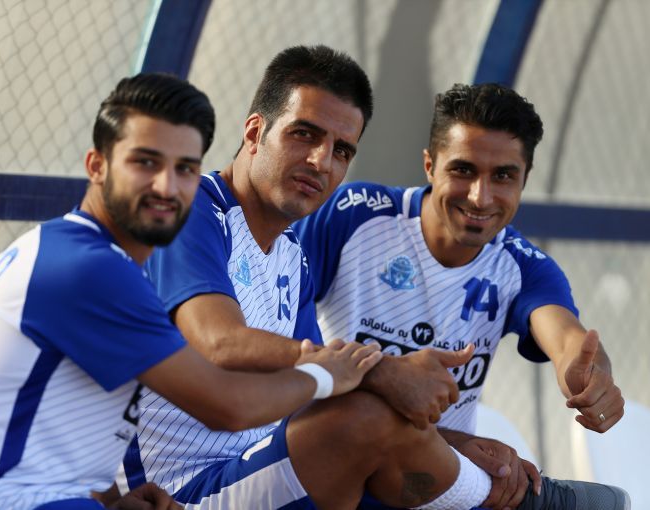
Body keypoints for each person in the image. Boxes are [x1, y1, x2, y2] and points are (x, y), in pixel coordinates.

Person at [135, 46, 628, 509]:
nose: (321, 161)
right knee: (366, 415)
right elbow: (220, 342)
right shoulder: (193, 209)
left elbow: (565, 335)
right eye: (304, 134)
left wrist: (463, 439)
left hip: (285, 465)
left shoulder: (289, 252)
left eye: (342, 150)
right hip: (175, 491)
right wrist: (382, 371)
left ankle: (506, 494)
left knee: (372, 415)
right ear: (254, 131)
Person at [0, 72, 385, 510]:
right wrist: (326, 373)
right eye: (146, 163)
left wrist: (112, 501)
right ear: (97, 166)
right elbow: (228, 406)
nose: (167, 187)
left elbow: (55, 423)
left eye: (185, 169)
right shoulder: (89, 269)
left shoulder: (74, 250)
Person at [294, 82, 627, 509]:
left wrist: (591, 376)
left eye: (503, 176)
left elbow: (566, 339)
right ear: (429, 166)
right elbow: (276, 337)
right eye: (463, 170)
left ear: (524, 180)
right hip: (326, 466)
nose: (479, 197)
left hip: (426, 485)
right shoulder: (353, 214)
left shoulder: (523, 265)